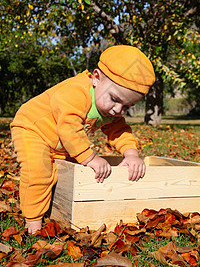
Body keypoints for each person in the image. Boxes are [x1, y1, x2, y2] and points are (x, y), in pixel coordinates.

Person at [10, 45, 155, 234]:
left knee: (70, 174)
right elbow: (69, 128)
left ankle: (61, 205)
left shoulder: (111, 109)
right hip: (33, 129)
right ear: (96, 78)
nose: (118, 110)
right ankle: (33, 221)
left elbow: (119, 130)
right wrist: (90, 158)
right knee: (38, 170)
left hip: (61, 143)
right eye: (114, 99)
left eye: (127, 106)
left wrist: (131, 154)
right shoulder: (76, 92)